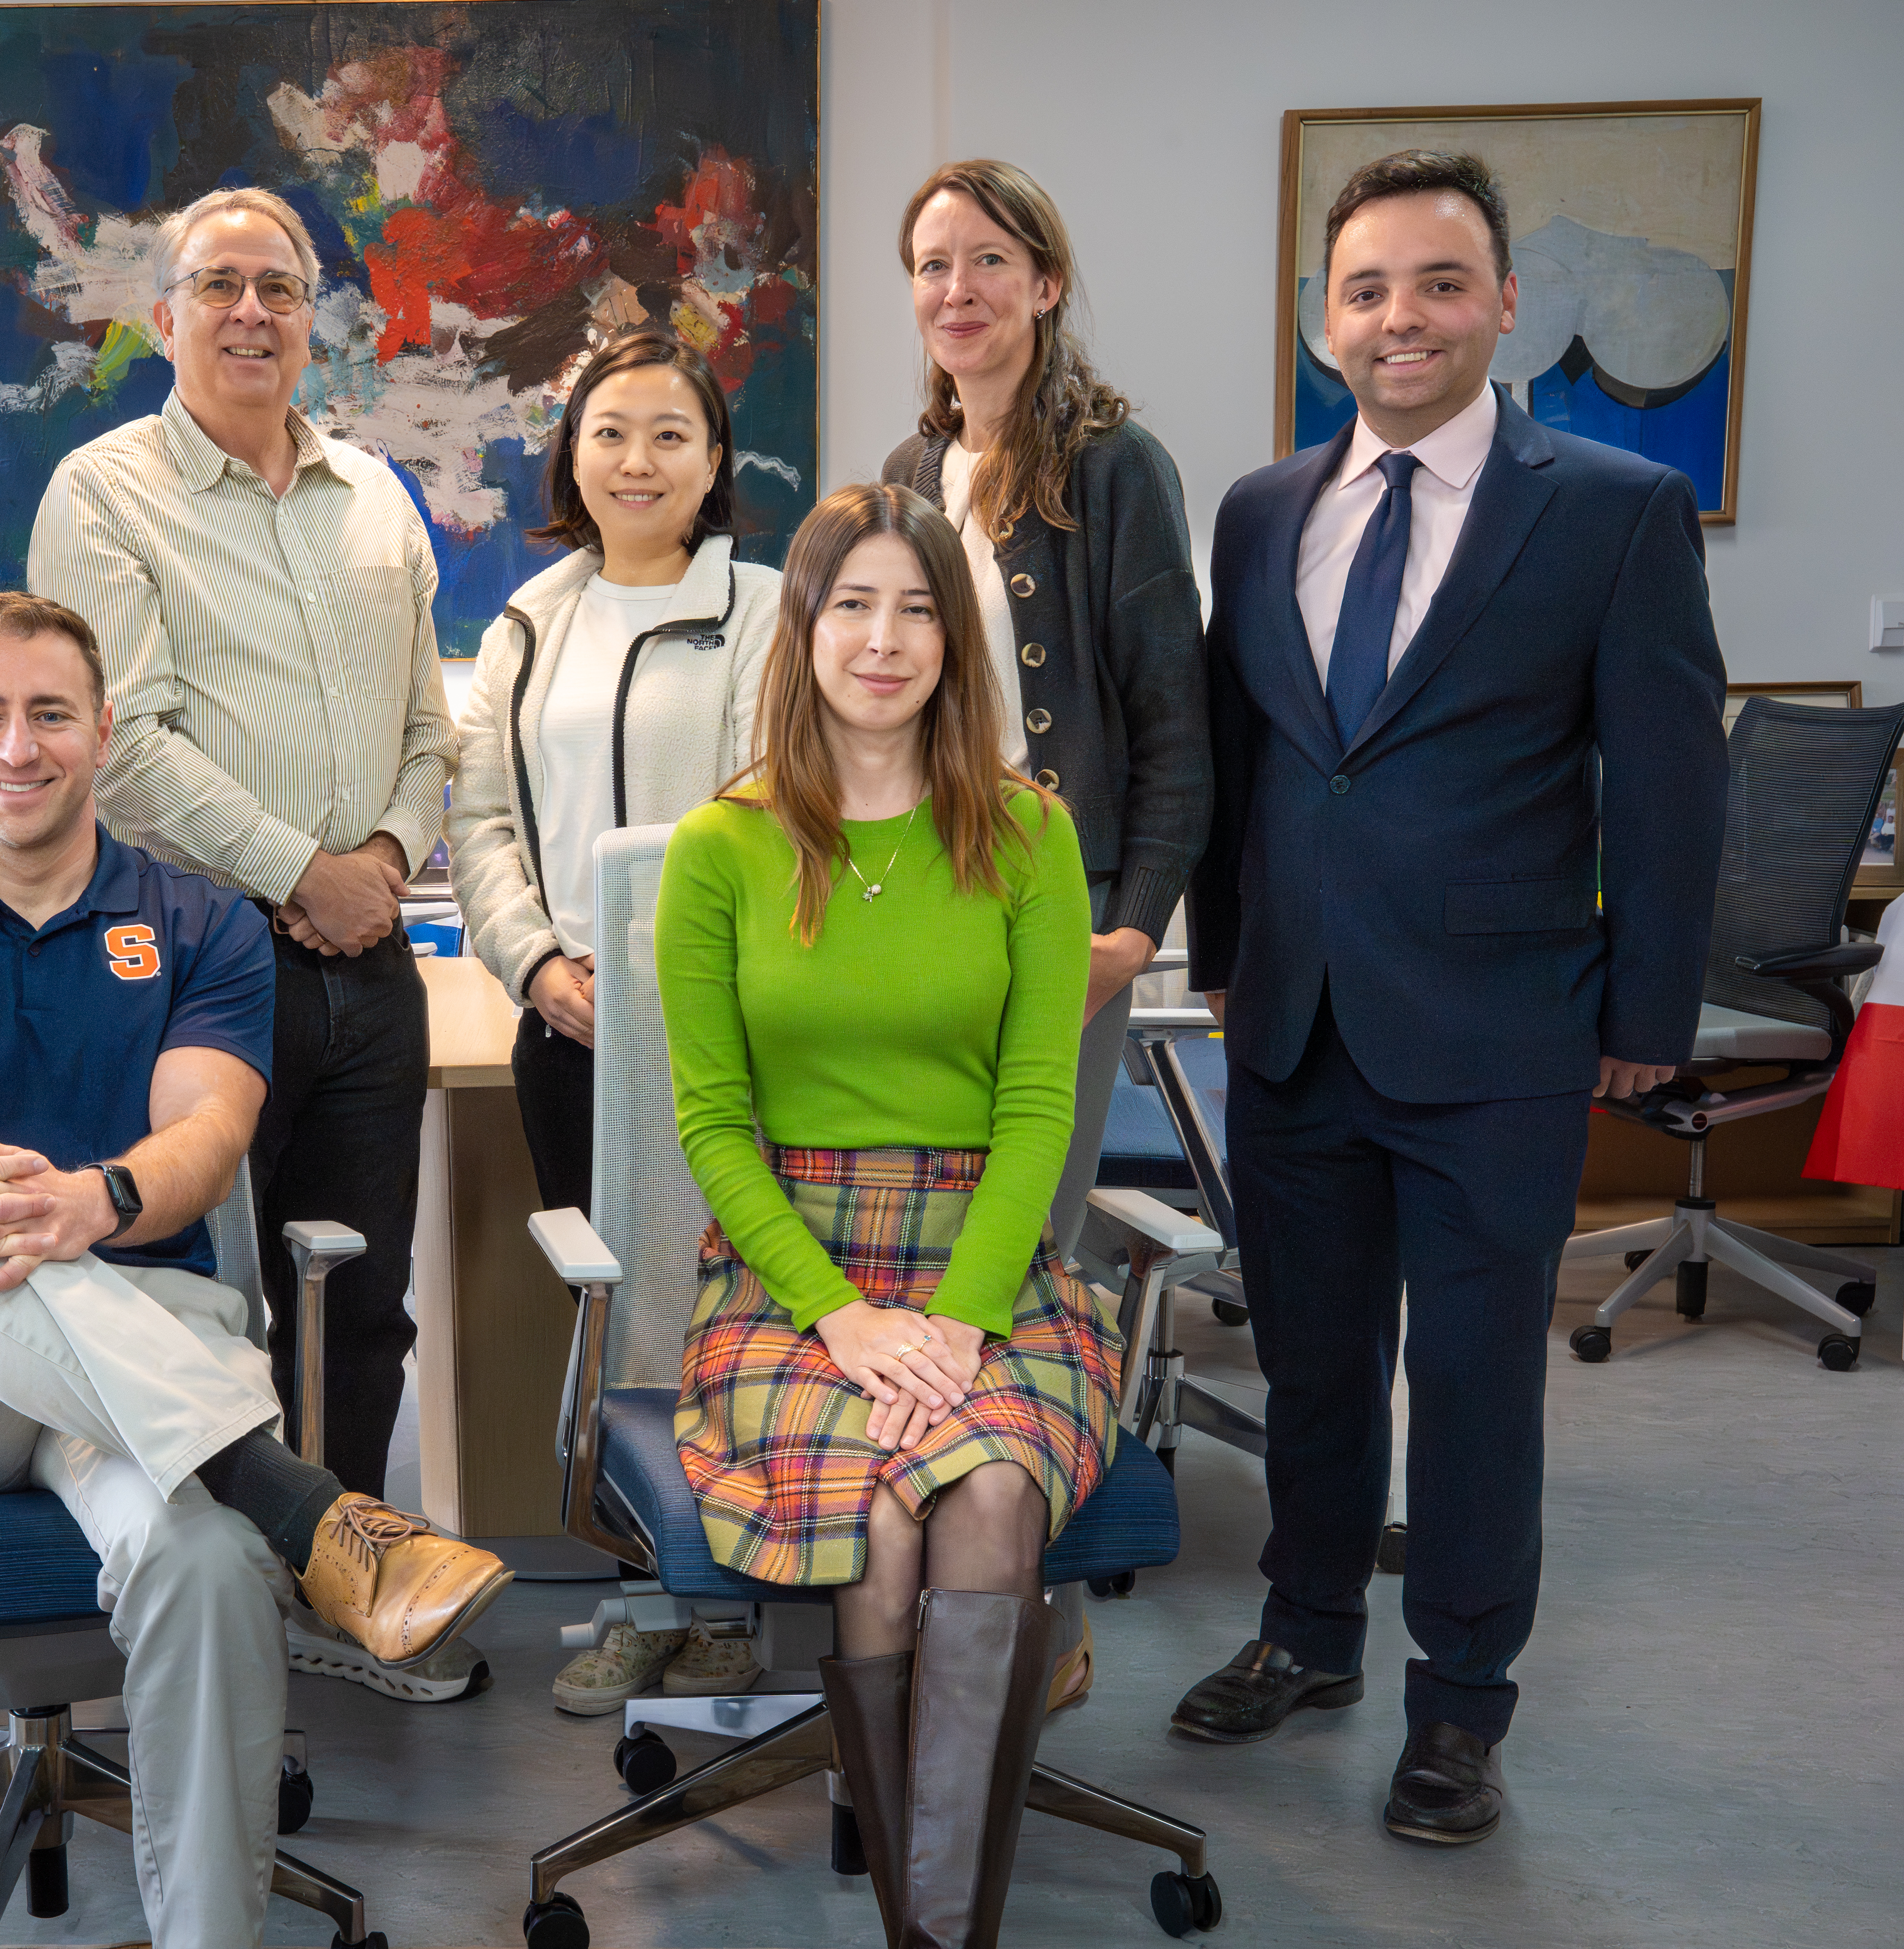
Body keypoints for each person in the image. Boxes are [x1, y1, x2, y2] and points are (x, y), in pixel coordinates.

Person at [0, 592, 509, 1949]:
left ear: (105, 732)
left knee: (206, 1563)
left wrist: (91, 1199)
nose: (18, 747)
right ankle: (299, 1503)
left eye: (51, 714)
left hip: (125, 1366)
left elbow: (208, 1135)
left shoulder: (202, 923)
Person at [1177, 151, 1726, 1844]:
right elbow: (1243, 756)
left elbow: (1668, 783)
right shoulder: (1262, 508)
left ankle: (1462, 1707)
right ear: (1323, 319)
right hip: (1294, 1022)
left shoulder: (1611, 506)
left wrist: (1645, 1018)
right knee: (1315, 1366)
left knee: (1479, 1386)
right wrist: (1221, 956)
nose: (1399, 317)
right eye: (1366, 289)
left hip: (1500, 1032)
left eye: (1437, 283)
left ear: (1503, 303)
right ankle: (1308, 1633)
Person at [657, 483, 1122, 1949]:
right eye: (852, 604)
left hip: (987, 1261)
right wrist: (846, 1318)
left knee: (988, 1494)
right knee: (873, 1506)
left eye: (919, 609)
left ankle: (938, 1929)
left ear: (955, 640)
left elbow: (1036, 1109)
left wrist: (963, 1319)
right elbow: (713, 1128)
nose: (884, 639)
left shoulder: (1030, 836)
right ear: (802, 627)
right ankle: (925, 1903)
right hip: (793, 1277)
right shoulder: (721, 847)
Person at [27, 186, 459, 1695]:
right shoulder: (104, 492)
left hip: (372, 967)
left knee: (363, 1298)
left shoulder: (375, 496)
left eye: (279, 286)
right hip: (196, 963)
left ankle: (354, 1584)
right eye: (219, 285)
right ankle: (221, 1597)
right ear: (165, 317)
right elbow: (124, 741)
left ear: (314, 315)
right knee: (203, 1298)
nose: (252, 313)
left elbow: (430, 728)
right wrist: (300, 872)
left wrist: (381, 864)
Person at [449, 327, 781, 1714]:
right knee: (615, 1311)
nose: (637, 461)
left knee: (733, 1309)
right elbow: (481, 821)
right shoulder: (529, 623)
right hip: (568, 1027)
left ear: (714, 463)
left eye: (669, 435)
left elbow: (772, 804)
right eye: (610, 433)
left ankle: (739, 1604)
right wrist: (534, 965)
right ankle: (652, 1591)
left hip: (727, 1028)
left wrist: (658, 985)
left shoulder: (766, 609)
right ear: (571, 460)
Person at [885, 159, 1210, 1265]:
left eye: (990, 260)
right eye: (934, 265)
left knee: (1023, 1239)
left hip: (1063, 902)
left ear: (1046, 284)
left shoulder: (1117, 470)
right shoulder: (911, 472)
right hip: (924, 890)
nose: (958, 290)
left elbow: (1176, 726)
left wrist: (1133, 932)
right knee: (922, 1218)